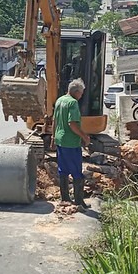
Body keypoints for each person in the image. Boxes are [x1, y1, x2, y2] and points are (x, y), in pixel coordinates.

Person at [53, 78, 91, 209]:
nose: (81, 96)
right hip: (71, 142)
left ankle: (65, 198)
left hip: (60, 140)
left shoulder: (60, 100)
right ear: (76, 92)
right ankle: (79, 201)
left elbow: (55, 121)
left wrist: (53, 137)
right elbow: (72, 123)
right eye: (81, 93)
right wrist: (84, 137)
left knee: (63, 170)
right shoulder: (73, 103)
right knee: (76, 172)